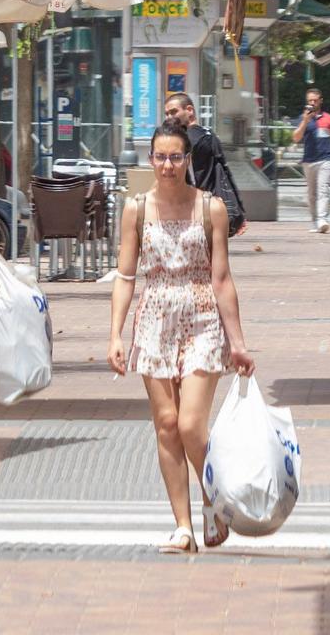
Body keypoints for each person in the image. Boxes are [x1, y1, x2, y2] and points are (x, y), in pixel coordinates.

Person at [108, 118, 255, 554]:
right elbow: (125, 275)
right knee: (167, 425)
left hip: (202, 316)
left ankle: (213, 498)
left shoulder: (210, 207)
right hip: (153, 319)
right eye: (160, 157)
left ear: (187, 160)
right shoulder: (136, 208)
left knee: (191, 422)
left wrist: (238, 340)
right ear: (150, 159)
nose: (168, 165)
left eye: (176, 157)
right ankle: (183, 526)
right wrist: (115, 334)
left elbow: (222, 277)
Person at [164, 91, 246, 236]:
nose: (170, 117)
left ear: (189, 110)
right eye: (167, 114)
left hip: (192, 212)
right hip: (213, 208)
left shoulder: (181, 141)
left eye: (174, 112)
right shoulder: (209, 134)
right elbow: (225, 173)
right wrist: (238, 210)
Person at [294, 86, 330, 233]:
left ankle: (322, 219)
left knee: (323, 190)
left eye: (315, 100)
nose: (312, 103)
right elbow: (296, 138)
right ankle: (315, 220)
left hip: (326, 159)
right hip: (308, 161)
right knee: (311, 193)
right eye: (309, 101)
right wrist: (305, 120)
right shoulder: (303, 118)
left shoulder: (329, 118)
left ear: (320, 101)